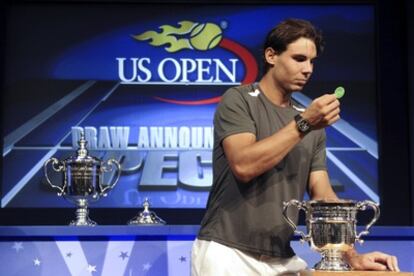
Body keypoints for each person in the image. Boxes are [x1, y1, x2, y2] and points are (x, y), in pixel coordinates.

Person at [191, 18, 399, 275]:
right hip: (227, 253)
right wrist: (305, 123)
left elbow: (323, 196)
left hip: (282, 259)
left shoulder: (311, 123)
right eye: (299, 59)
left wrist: (351, 255)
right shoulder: (239, 100)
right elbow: (244, 165)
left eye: (312, 61)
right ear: (271, 56)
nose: (308, 69)